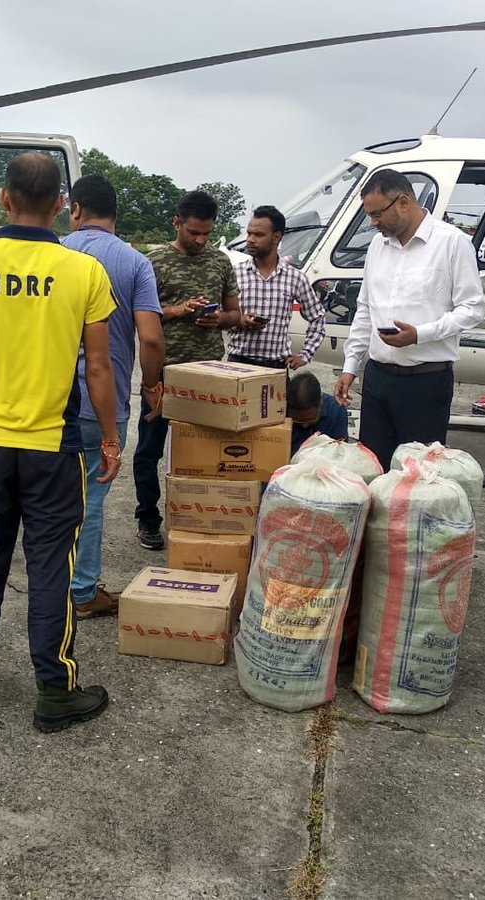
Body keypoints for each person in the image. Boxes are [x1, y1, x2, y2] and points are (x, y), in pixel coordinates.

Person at [0, 152, 121, 733]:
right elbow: (99, 369)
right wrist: (109, 440)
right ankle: (54, 690)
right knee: (50, 567)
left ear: (3, 199)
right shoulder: (83, 271)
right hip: (53, 447)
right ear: (61, 204)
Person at [61, 174, 165, 619]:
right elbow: (152, 338)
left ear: (76, 209)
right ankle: (82, 592)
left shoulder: (55, 254)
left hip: (50, 400)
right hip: (105, 403)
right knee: (91, 498)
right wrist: (154, 384)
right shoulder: (134, 262)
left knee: (48, 499)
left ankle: (55, 586)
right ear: (115, 215)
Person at [334, 170, 484, 471]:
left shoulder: (451, 243)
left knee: (417, 479)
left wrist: (421, 334)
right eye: (369, 216)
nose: (373, 223)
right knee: (373, 469)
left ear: (403, 201)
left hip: (425, 383)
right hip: (378, 380)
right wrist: (350, 366)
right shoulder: (378, 246)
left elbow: (473, 309)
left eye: (377, 214)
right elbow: (366, 308)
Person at [133, 190, 240, 551]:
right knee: (149, 450)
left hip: (208, 374)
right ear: (176, 222)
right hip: (162, 375)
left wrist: (217, 318)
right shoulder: (153, 262)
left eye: (207, 233)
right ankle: (148, 519)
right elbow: (141, 316)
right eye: (194, 232)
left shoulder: (220, 262)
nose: (201, 240)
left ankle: (202, 519)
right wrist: (180, 311)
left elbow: (235, 314)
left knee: (207, 453)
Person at [228, 205, 326, 370]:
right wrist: (239, 320)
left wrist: (305, 355)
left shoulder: (295, 278)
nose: (250, 239)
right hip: (238, 364)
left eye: (258, 235)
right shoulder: (235, 274)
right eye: (249, 233)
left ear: (277, 237)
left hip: (275, 367)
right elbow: (218, 315)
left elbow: (318, 317)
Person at [288, 370, 348, 457]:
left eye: (311, 420)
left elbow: (340, 453)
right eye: (298, 421)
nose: (305, 425)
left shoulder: (336, 412)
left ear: (320, 402)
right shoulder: (281, 415)